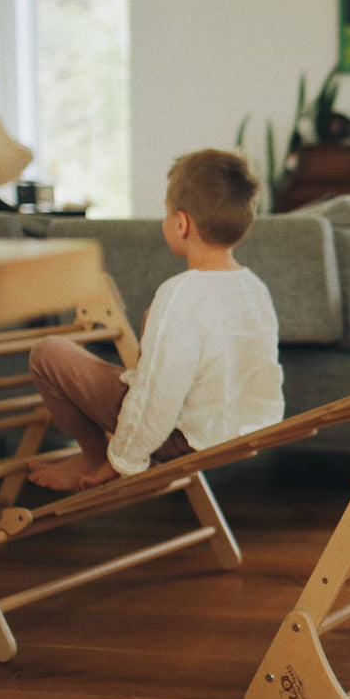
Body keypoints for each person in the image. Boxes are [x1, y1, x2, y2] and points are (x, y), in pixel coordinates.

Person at [27, 148, 284, 491]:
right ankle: (114, 442)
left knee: (49, 353)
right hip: (246, 430)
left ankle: (92, 455)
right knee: (156, 322)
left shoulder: (179, 295)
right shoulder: (255, 287)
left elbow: (157, 397)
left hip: (183, 438)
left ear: (181, 223)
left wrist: (121, 461)